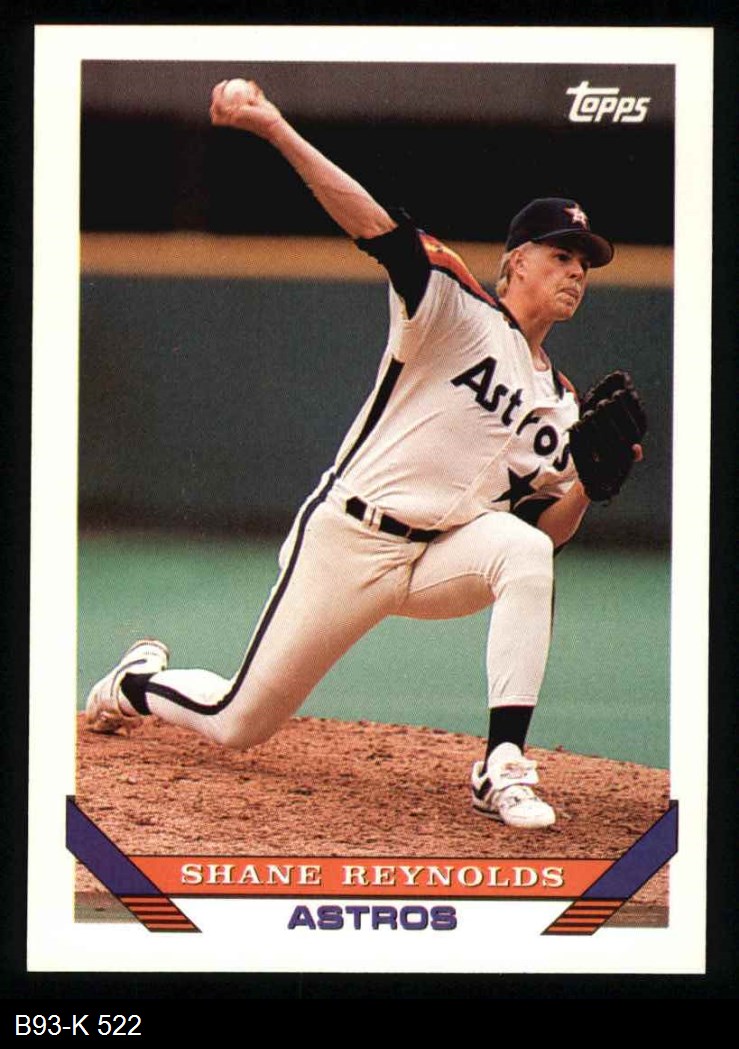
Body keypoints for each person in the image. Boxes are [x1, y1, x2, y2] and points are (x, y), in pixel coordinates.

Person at [86, 80, 641, 830]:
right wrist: (273, 126)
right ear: (515, 263)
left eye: (585, 263)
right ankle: (136, 683)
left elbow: (543, 534)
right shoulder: (454, 309)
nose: (576, 270)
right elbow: (374, 225)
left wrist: (587, 492)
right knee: (238, 721)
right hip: (351, 538)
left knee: (522, 551)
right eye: (561, 254)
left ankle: (502, 762)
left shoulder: (563, 404)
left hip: (437, 555)